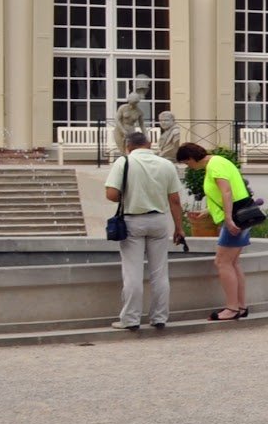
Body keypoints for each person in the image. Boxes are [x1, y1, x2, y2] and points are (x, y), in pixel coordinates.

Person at [103, 129, 189, 332]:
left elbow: (111, 195)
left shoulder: (124, 162)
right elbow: (175, 199)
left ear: (128, 147)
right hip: (159, 221)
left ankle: (131, 319)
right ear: (149, 145)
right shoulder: (166, 164)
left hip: (133, 221)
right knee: (160, 272)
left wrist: (129, 192)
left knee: (132, 272)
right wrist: (179, 227)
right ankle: (159, 317)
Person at [176, 142, 255, 321]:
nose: (189, 167)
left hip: (234, 219)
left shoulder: (214, 165)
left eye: (187, 163)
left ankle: (232, 308)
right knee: (233, 263)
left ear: (190, 158)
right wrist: (207, 212)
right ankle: (240, 306)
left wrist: (228, 218)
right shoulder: (220, 161)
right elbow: (226, 194)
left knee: (222, 262)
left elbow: (226, 192)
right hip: (241, 216)